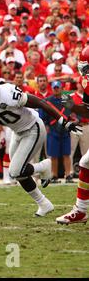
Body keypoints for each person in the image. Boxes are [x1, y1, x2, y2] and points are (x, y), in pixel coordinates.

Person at [0, 74, 82, 216]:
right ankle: (44, 204)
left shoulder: (9, 93)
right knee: (16, 173)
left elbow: (41, 103)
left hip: (33, 128)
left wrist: (62, 121)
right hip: (17, 132)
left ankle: (44, 166)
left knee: (16, 170)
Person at [56, 46, 89, 224]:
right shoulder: (86, 83)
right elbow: (88, 112)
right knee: (85, 162)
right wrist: (71, 105)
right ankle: (81, 210)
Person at [39, 80, 74, 184]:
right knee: (53, 155)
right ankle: (54, 175)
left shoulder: (67, 100)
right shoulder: (47, 101)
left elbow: (73, 113)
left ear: (61, 88)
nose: (56, 89)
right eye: (54, 88)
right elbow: (42, 116)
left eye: (58, 87)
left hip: (65, 130)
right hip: (53, 130)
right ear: (52, 89)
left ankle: (68, 175)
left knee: (66, 154)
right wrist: (46, 125)